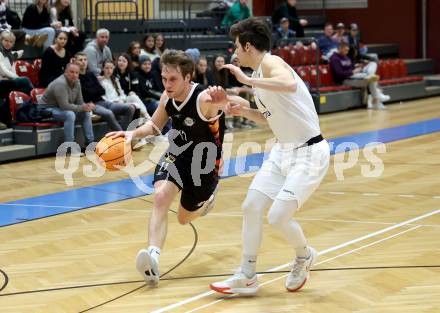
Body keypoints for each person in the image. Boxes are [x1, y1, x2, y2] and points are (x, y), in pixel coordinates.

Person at [210, 17, 330, 295]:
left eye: (237, 47)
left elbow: (288, 84)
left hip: (310, 152)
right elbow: (268, 118)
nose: (235, 53)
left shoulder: (271, 64)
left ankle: (304, 255)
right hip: (282, 151)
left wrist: (245, 80)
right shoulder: (262, 78)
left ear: (249, 46)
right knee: (251, 206)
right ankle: (247, 275)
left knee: (278, 216)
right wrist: (244, 112)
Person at [107, 49, 227, 286]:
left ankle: (207, 201)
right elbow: (154, 126)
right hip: (177, 152)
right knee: (161, 196)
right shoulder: (167, 97)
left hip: (204, 164)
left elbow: (220, 107)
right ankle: (153, 257)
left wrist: (223, 102)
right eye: (164, 78)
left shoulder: (204, 99)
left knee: (184, 218)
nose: (167, 83)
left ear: (187, 77)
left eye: (172, 79)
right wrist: (131, 133)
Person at [40, 63, 94, 153]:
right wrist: (82, 107)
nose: (74, 75)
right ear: (65, 72)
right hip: (46, 109)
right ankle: (71, 148)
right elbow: (64, 106)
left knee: (86, 113)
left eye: (77, 73)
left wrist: (87, 107)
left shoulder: (77, 82)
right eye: (71, 72)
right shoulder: (60, 83)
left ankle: (90, 144)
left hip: (60, 108)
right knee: (70, 115)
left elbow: (80, 103)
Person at [75, 52, 135, 130]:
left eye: (85, 59)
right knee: (108, 113)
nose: (83, 62)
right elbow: (85, 95)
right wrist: (94, 91)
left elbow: (102, 91)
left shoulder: (91, 74)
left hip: (102, 102)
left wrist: (92, 91)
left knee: (130, 108)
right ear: (76, 62)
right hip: (91, 105)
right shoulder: (76, 77)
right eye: (80, 60)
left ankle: (124, 133)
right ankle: (122, 136)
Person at [329, 42, 389, 110]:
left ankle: (376, 99)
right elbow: (339, 74)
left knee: (372, 68)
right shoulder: (334, 59)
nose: (347, 52)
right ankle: (377, 98)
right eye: (345, 50)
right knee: (372, 78)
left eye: (348, 50)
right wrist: (352, 72)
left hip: (353, 76)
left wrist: (357, 67)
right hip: (345, 80)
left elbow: (350, 67)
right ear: (340, 49)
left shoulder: (346, 57)